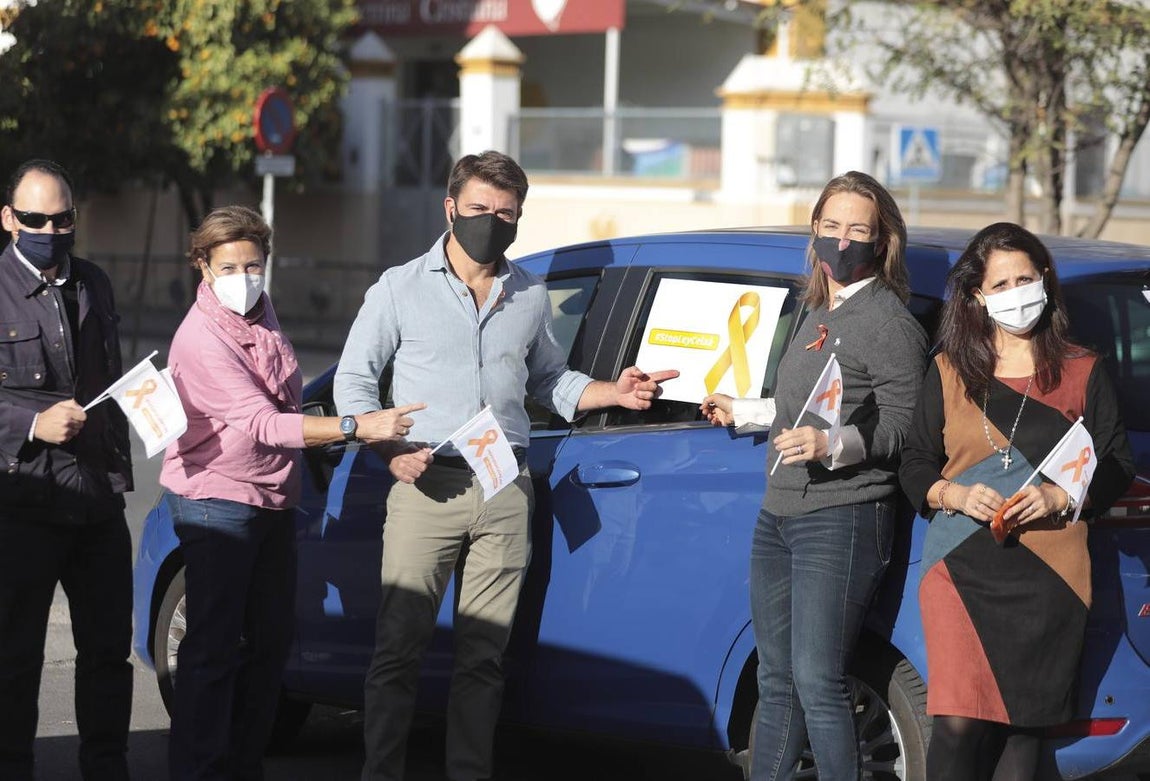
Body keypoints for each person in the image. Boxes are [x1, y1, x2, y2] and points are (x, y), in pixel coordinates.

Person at [334, 150, 677, 781]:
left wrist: (614, 391)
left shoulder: (528, 293)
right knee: (398, 651)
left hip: (504, 485)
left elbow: (548, 380)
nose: (491, 221)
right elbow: (354, 382)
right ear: (450, 209)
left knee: (484, 658)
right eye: (478, 210)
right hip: (426, 480)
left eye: (505, 213)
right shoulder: (398, 287)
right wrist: (387, 449)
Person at [161, 205, 424, 781]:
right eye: (229, 266)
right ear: (203, 268)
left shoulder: (261, 313)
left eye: (253, 265)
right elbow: (265, 423)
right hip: (217, 500)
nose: (244, 277)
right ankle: (201, 768)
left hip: (274, 497)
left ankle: (243, 765)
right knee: (211, 651)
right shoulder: (202, 339)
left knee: (270, 645)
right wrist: (358, 426)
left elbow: (287, 399)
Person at [701, 170, 928, 780]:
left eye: (858, 229)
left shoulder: (889, 322)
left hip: (844, 516)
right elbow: (797, 407)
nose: (842, 240)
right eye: (831, 226)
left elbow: (905, 431)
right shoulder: (819, 307)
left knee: (818, 680)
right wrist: (743, 410)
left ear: (883, 241)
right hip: (779, 511)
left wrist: (834, 445)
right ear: (815, 232)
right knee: (776, 679)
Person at [899, 222, 1134, 780]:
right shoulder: (948, 370)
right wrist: (952, 492)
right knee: (957, 725)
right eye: (999, 284)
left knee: (1024, 730)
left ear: (1045, 281)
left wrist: (1058, 494)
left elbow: (1118, 464)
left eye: (1024, 278)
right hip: (959, 568)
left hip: (1052, 573)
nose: (1015, 293)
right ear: (978, 298)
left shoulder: (1085, 370)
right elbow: (913, 463)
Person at [0, 159, 134, 780]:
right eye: (35, 219)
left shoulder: (94, 284)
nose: (50, 231)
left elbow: (108, 378)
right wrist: (31, 424)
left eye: (62, 219)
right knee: (15, 661)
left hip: (97, 501)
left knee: (108, 656)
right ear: (8, 219)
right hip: (22, 505)